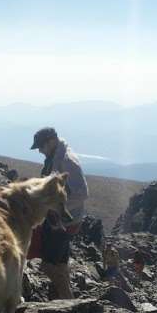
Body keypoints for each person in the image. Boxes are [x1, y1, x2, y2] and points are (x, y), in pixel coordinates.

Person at [30, 126, 88, 299]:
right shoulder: (54, 156)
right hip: (58, 219)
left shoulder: (66, 160)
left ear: (51, 141)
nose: (40, 150)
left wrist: (55, 206)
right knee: (59, 263)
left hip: (64, 222)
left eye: (41, 146)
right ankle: (60, 299)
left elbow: (82, 193)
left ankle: (66, 305)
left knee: (51, 265)